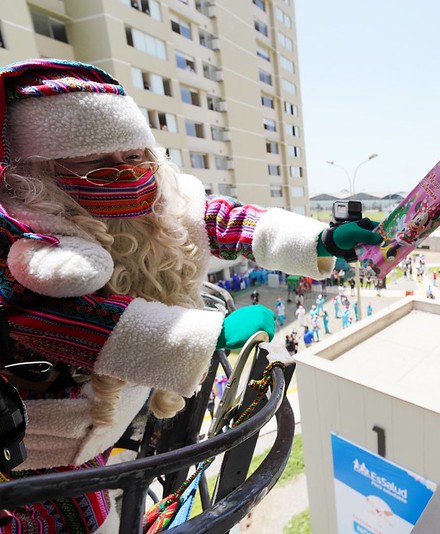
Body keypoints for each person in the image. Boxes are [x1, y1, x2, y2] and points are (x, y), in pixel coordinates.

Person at [0, 58, 381, 532]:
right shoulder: (22, 253)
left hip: (96, 446)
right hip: (26, 455)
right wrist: (211, 334)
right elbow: (59, 319)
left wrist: (319, 240)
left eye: (135, 156)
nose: (125, 173)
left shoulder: (159, 204)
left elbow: (220, 220)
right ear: (36, 176)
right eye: (96, 163)